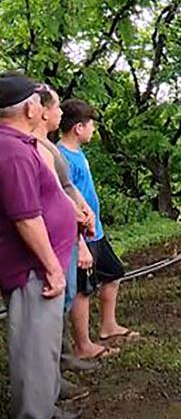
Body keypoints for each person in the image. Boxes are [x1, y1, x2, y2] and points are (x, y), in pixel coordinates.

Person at [0, 72, 80, 419]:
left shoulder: (20, 144)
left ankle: (46, 408)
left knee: (43, 345)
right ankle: (34, 414)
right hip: (32, 271)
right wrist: (51, 267)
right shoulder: (12, 151)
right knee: (33, 349)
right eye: (40, 100)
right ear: (31, 108)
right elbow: (25, 217)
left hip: (40, 268)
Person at [32, 85, 97, 402]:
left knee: (66, 298)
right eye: (56, 107)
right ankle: (48, 385)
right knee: (46, 314)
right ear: (40, 110)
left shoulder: (47, 146)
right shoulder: (32, 148)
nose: (60, 112)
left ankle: (59, 365)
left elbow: (67, 187)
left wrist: (82, 210)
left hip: (66, 239)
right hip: (55, 242)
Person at [58, 99, 135, 360]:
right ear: (78, 127)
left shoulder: (78, 152)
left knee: (113, 272)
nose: (93, 130)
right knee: (83, 289)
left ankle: (108, 325)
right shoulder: (61, 157)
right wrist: (79, 243)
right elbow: (66, 204)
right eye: (91, 125)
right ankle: (83, 345)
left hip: (96, 232)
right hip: (80, 236)